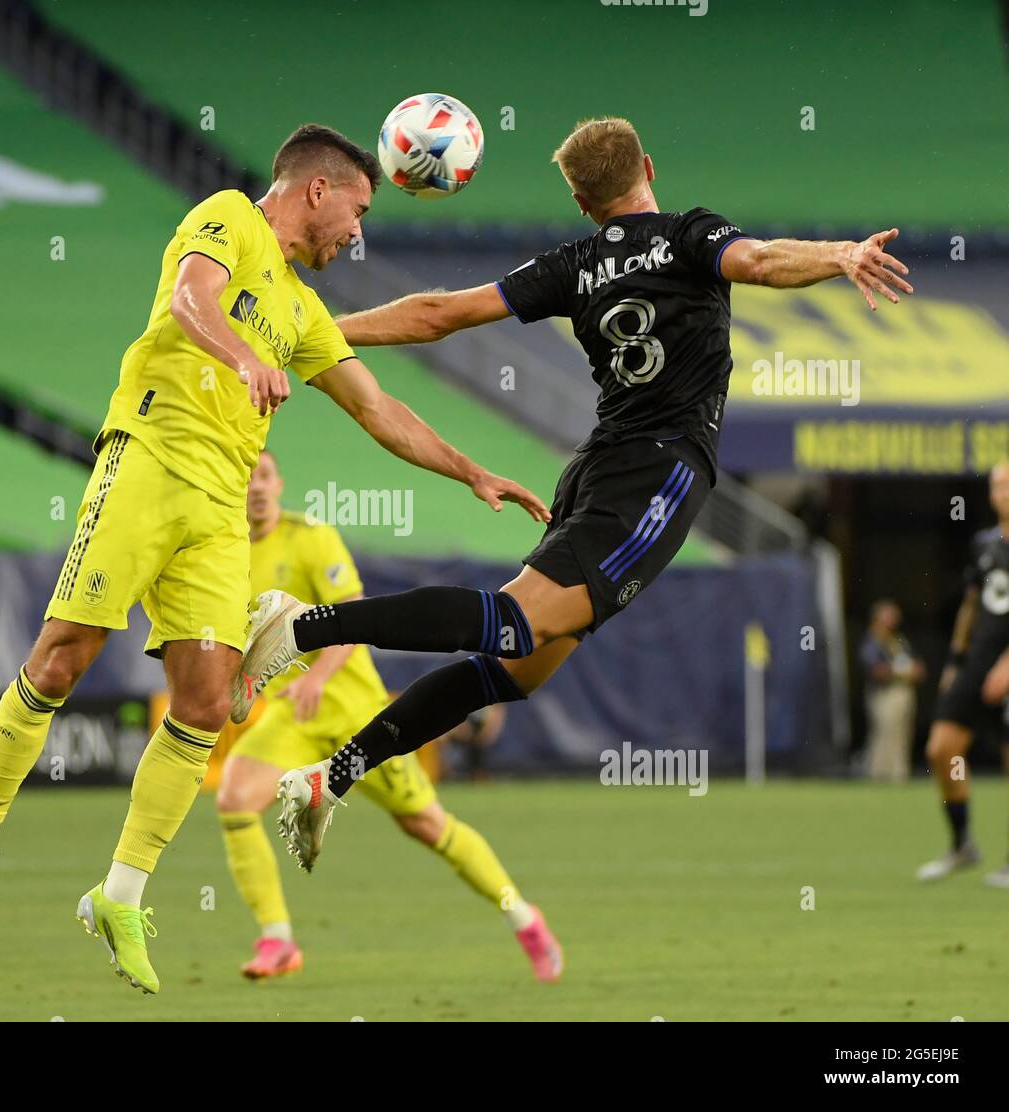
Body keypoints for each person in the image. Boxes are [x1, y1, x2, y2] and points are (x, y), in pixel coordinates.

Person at [0, 123, 549, 994]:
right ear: (317, 190)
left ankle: (119, 894)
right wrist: (240, 356)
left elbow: (379, 409)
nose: (357, 234)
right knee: (63, 658)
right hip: (149, 457)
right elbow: (192, 299)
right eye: (359, 211)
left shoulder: (300, 310)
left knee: (205, 703)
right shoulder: (228, 217)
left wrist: (472, 472)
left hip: (221, 509)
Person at [230, 116, 914, 871]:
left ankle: (327, 780)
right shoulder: (692, 235)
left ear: (583, 203)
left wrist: (310, 330)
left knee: (512, 670)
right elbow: (759, 259)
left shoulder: (574, 263)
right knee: (514, 626)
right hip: (659, 474)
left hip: (597, 465)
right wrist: (841, 255)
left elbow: (439, 313)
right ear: (647, 167)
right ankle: (302, 628)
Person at [216, 450, 561, 980]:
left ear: (279, 482)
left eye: (263, 476)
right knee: (235, 798)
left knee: (427, 825)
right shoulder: (227, 554)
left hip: (356, 714)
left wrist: (317, 677)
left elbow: (348, 613)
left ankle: (523, 917)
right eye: (246, 480)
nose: (256, 489)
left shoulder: (310, 537)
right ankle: (278, 939)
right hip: (293, 718)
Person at [916, 462, 1009, 887]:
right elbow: (972, 606)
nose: (1002, 492)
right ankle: (962, 844)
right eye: (997, 485)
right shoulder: (985, 545)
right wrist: (955, 661)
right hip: (978, 662)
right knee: (943, 749)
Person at [859, 600, 924, 782]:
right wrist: (901, 672)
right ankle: (879, 774)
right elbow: (874, 669)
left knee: (902, 735)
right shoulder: (872, 640)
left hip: (903, 692)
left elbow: (918, 667)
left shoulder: (898, 640)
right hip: (884, 694)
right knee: (885, 734)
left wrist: (910, 671)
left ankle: (899, 774)